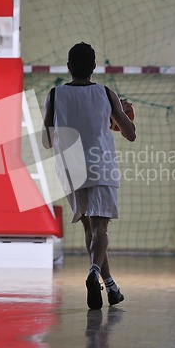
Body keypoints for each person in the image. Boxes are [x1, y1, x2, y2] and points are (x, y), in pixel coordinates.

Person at [42, 42, 136, 310]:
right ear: (94, 68)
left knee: (89, 229)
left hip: (71, 169)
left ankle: (111, 286)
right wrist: (120, 113)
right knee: (101, 229)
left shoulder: (54, 94)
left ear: (68, 67)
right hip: (101, 164)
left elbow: (47, 141)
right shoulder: (107, 94)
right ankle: (94, 271)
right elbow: (130, 134)